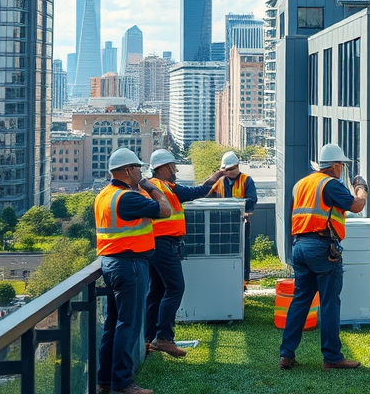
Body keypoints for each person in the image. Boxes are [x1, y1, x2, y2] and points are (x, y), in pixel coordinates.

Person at [279, 143, 367, 371]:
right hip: (322, 248)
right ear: (335, 166)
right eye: (342, 166)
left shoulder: (301, 184)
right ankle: (332, 357)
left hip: (299, 247)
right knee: (329, 302)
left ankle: (286, 355)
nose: (342, 171)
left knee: (301, 300)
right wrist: (361, 188)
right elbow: (357, 206)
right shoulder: (330, 184)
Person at [95, 148, 173, 394]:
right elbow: (165, 210)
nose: (141, 172)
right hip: (130, 266)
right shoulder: (127, 198)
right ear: (129, 170)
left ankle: (105, 380)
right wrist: (150, 186)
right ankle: (123, 383)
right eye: (138, 168)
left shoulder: (105, 195)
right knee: (128, 325)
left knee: (113, 325)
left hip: (111, 263)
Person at [143, 149, 223, 358]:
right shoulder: (162, 187)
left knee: (157, 292)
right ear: (161, 168)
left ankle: (147, 339)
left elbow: (197, 191)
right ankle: (163, 338)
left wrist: (218, 174)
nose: (175, 172)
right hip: (163, 244)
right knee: (175, 288)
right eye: (172, 168)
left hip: (157, 245)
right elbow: (198, 191)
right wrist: (219, 174)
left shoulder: (160, 187)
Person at [207, 151, 258, 283]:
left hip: (242, 222)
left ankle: (243, 280)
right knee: (224, 249)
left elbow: (252, 200)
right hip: (222, 223)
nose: (229, 172)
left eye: (231, 169)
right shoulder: (220, 181)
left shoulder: (246, 180)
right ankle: (226, 277)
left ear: (237, 166)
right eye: (227, 170)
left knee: (243, 250)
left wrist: (236, 205)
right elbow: (206, 195)